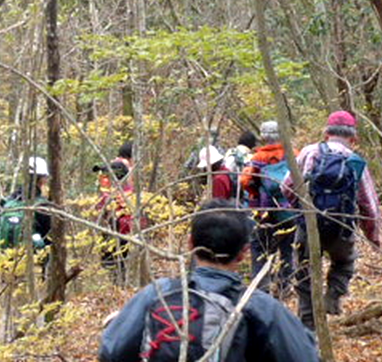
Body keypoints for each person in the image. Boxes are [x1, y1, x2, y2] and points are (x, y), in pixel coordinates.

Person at [97, 200, 320, 362]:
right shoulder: (261, 308)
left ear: (190, 244)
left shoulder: (157, 293)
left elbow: (111, 351)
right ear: (243, 253)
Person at [283, 110, 381, 329]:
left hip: (309, 225)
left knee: (304, 272)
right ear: (353, 138)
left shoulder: (309, 152)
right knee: (344, 263)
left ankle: (307, 323)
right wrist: (373, 237)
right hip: (341, 228)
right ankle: (332, 299)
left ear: (326, 133)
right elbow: (369, 205)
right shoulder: (355, 161)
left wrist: (296, 207)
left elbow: (286, 186)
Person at [240, 120, 297, 297]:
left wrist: (256, 192)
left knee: (260, 249)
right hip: (289, 210)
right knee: (288, 249)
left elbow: (245, 182)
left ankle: (262, 287)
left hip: (263, 212)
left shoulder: (257, 158)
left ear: (263, 137)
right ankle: (285, 286)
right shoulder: (293, 154)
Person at [0, 155, 52, 250]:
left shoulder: (6, 202)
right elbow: (49, 241)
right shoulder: (43, 206)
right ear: (41, 179)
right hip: (31, 261)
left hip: (1, 261)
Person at [94, 156, 135, 284]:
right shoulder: (111, 195)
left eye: (105, 175)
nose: (102, 178)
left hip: (120, 240)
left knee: (118, 274)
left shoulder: (123, 196)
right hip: (113, 239)